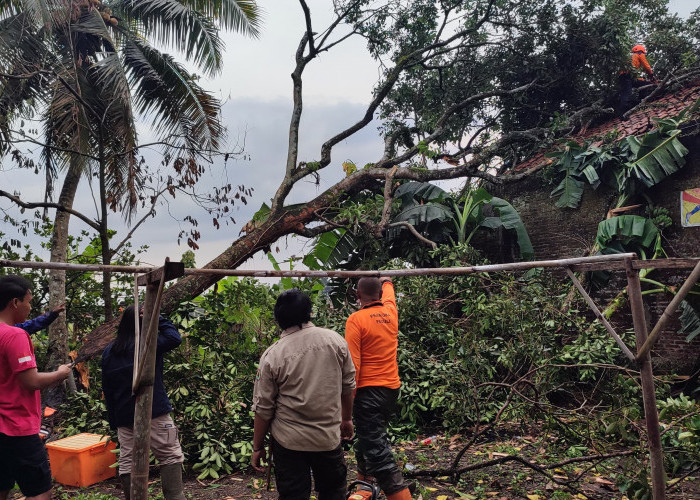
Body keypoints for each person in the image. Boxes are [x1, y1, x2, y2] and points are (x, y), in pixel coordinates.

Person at [251, 289, 356, 500]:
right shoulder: (335, 341)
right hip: (327, 438)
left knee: (293, 495)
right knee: (334, 493)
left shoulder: (273, 355)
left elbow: (264, 409)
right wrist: (346, 419)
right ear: (309, 312)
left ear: (279, 318)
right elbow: (348, 386)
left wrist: (257, 447)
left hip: (289, 442)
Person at [101, 306, 185, 500]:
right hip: (154, 411)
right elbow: (174, 338)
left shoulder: (109, 351)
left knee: (128, 460)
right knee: (170, 454)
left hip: (124, 415)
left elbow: (108, 389)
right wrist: (159, 318)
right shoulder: (148, 345)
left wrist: (115, 421)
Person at [0, 275, 72, 500]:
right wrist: (59, 374)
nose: (30, 308)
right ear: (14, 303)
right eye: (28, 302)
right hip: (17, 427)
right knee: (40, 493)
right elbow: (30, 381)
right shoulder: (15, 335)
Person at [345, 277, 411, 500]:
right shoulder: (390, 312)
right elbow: (389, 292)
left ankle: (399, 495)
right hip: (390, 390)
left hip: (368, 393)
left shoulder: (356, 320)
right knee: (367, 440)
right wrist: (387, 281)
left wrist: (348, 405)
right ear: (380, 295)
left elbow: (353, 367)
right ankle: (365, 489)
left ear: (357, 295)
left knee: (376, 451)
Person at [619, 43, 658, 112]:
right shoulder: (639, 54)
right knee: (627, 94)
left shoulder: (630, 56)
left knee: (643, 83)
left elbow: (634, 75)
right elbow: (647, 66)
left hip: (625, 76)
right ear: (641, 51)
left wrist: (644, 80)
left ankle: (641, 102)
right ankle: (623, 114)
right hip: (627, 75)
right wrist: (652, 76)